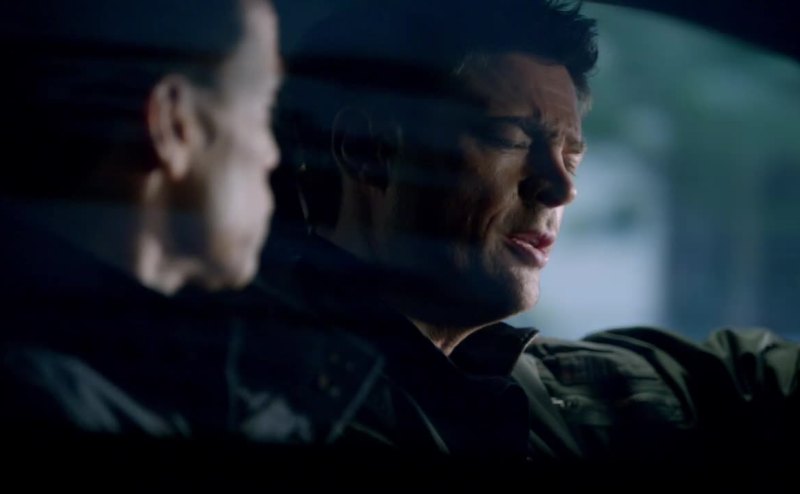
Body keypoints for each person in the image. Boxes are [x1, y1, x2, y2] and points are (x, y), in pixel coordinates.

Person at [266, 0, 799, 469]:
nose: (562, 188)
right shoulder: (271, 397)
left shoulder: (536, 383)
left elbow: (751, 381)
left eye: (571, 158)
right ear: (365, 148)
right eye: (511, 139)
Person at [0, 0, 382, 458]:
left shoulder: (140, 387)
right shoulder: (48, 400)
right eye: (263, 108)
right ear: (173, 124)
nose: (272, 155)